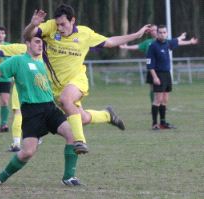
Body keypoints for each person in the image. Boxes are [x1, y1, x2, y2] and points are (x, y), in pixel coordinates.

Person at [20, 4, 151, 153]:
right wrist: (33, 24)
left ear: (73, 20)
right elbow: (27, 36)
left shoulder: (85, 34)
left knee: (66, 100)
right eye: (58, 25)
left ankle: (79, 141)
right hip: (56, 86)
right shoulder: (50, 27)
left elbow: (110, 41)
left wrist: (136, 35)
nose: (60, 28)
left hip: (77, 80)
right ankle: (107, 115)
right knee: (81, 118)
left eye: (63, 24)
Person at [0, 36, 81, 186]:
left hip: (50, 108)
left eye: (42, 42)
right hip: (32, 111)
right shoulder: (18, 60)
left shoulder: (46, 61)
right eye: (36, 41)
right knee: (28, 152)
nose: (40, 45)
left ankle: (69, 177)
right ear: (27, 44)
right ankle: (0, 178)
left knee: (73, 136)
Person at [146, 25, 198, 130]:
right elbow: (149, 64)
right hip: (158, 74)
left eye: (164, 32)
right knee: (157, 99)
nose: (162, 34)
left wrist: (189, 42)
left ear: (167, 33)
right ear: (157, 33)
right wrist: (155, 77)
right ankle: (154, 124)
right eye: (160, 32)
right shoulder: (153, 46)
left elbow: (177, 41)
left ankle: (163, 123)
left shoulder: (167, 43)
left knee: (165, 99)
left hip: (167, 74)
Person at [120, 25, 187, 104]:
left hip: (162, 70)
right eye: (152, 30)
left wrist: (187, 40)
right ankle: (154, 104)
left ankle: (161, 105)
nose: (154, 31)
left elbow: (175, 41)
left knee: (164, 90)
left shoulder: (164, 40)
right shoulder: (148, 42)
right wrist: (126, 47)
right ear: (150, 32)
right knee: (153, 89)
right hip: (152, 69)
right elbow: (138, 46)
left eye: (155, 30)